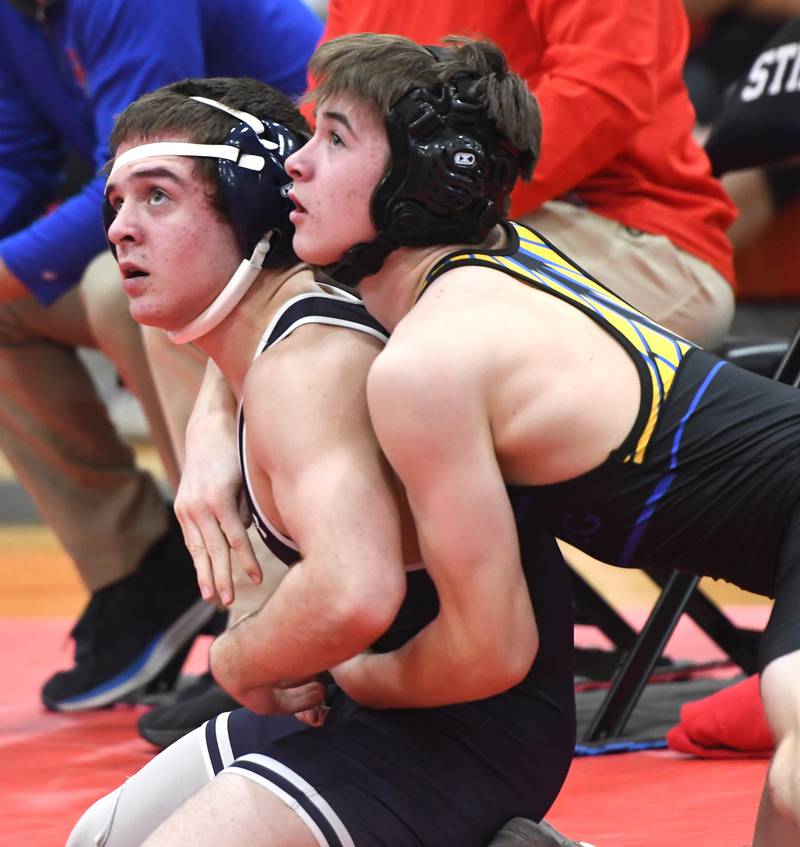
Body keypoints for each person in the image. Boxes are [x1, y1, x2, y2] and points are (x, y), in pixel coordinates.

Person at [282, 32, 800, 845]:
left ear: (434, 175)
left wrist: (352, 672)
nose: (297, 163)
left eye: (335, 137)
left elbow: (491, 648)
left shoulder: (431, 362)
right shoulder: (494, 264)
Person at [66, 76, 584, 847]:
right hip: (372, 698)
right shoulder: (270, 338)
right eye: (118, 204)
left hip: (462, 727)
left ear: (248, 205)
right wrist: (212, 423)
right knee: (95, 838)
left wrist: (239, 657)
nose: (121, 231)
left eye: (158, 198)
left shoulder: (307, 362)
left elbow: (355, 590)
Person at [0, 0, 322, 711]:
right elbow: (15, 162)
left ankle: (253, 597)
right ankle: (143, 572)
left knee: (127, 293)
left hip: (299, 223)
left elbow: (134, 174)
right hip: (199, 221)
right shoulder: (17, 15)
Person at [317, 0, 738, 352]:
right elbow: (332, 102)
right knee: (282, 297)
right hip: (423, 218)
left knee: (375, 341)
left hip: (623, 222)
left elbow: (606, 86)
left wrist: (419, 204)